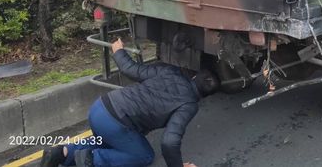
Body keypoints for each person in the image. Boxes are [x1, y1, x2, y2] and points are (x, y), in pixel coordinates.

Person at [40, 38, 219, 167]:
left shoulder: (169, 71)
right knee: (144, 156)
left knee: (109, 141)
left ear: (194, 76)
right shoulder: (189, 105)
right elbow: (169, 141)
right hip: (117, 122)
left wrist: (118, 51)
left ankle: (62, 153)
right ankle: (92, 160)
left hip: (100, 107)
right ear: (204, 96)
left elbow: (130, 69)